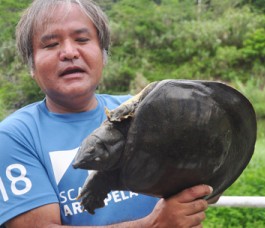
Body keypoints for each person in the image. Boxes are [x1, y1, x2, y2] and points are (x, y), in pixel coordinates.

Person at [0, 0, 218, 227]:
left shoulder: (141, 111)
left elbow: (195, 185)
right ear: (31, 65)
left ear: (103, 54)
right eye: (51, 44)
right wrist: (152, 225)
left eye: (82, 40)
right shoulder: (14, 137)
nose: (69, 52)